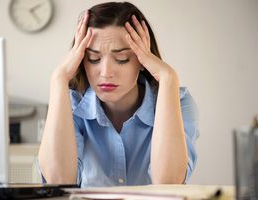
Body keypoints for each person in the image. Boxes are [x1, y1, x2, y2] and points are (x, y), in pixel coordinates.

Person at [38, 1, 199, 188]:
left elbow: (168, 183)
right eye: (93, 59)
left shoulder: (180, 102)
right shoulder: (72, 105)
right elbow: (58, 182)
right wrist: (58, 79)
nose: (106, 72)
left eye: (122, 59)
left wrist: (168, 77)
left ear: (142, 60)